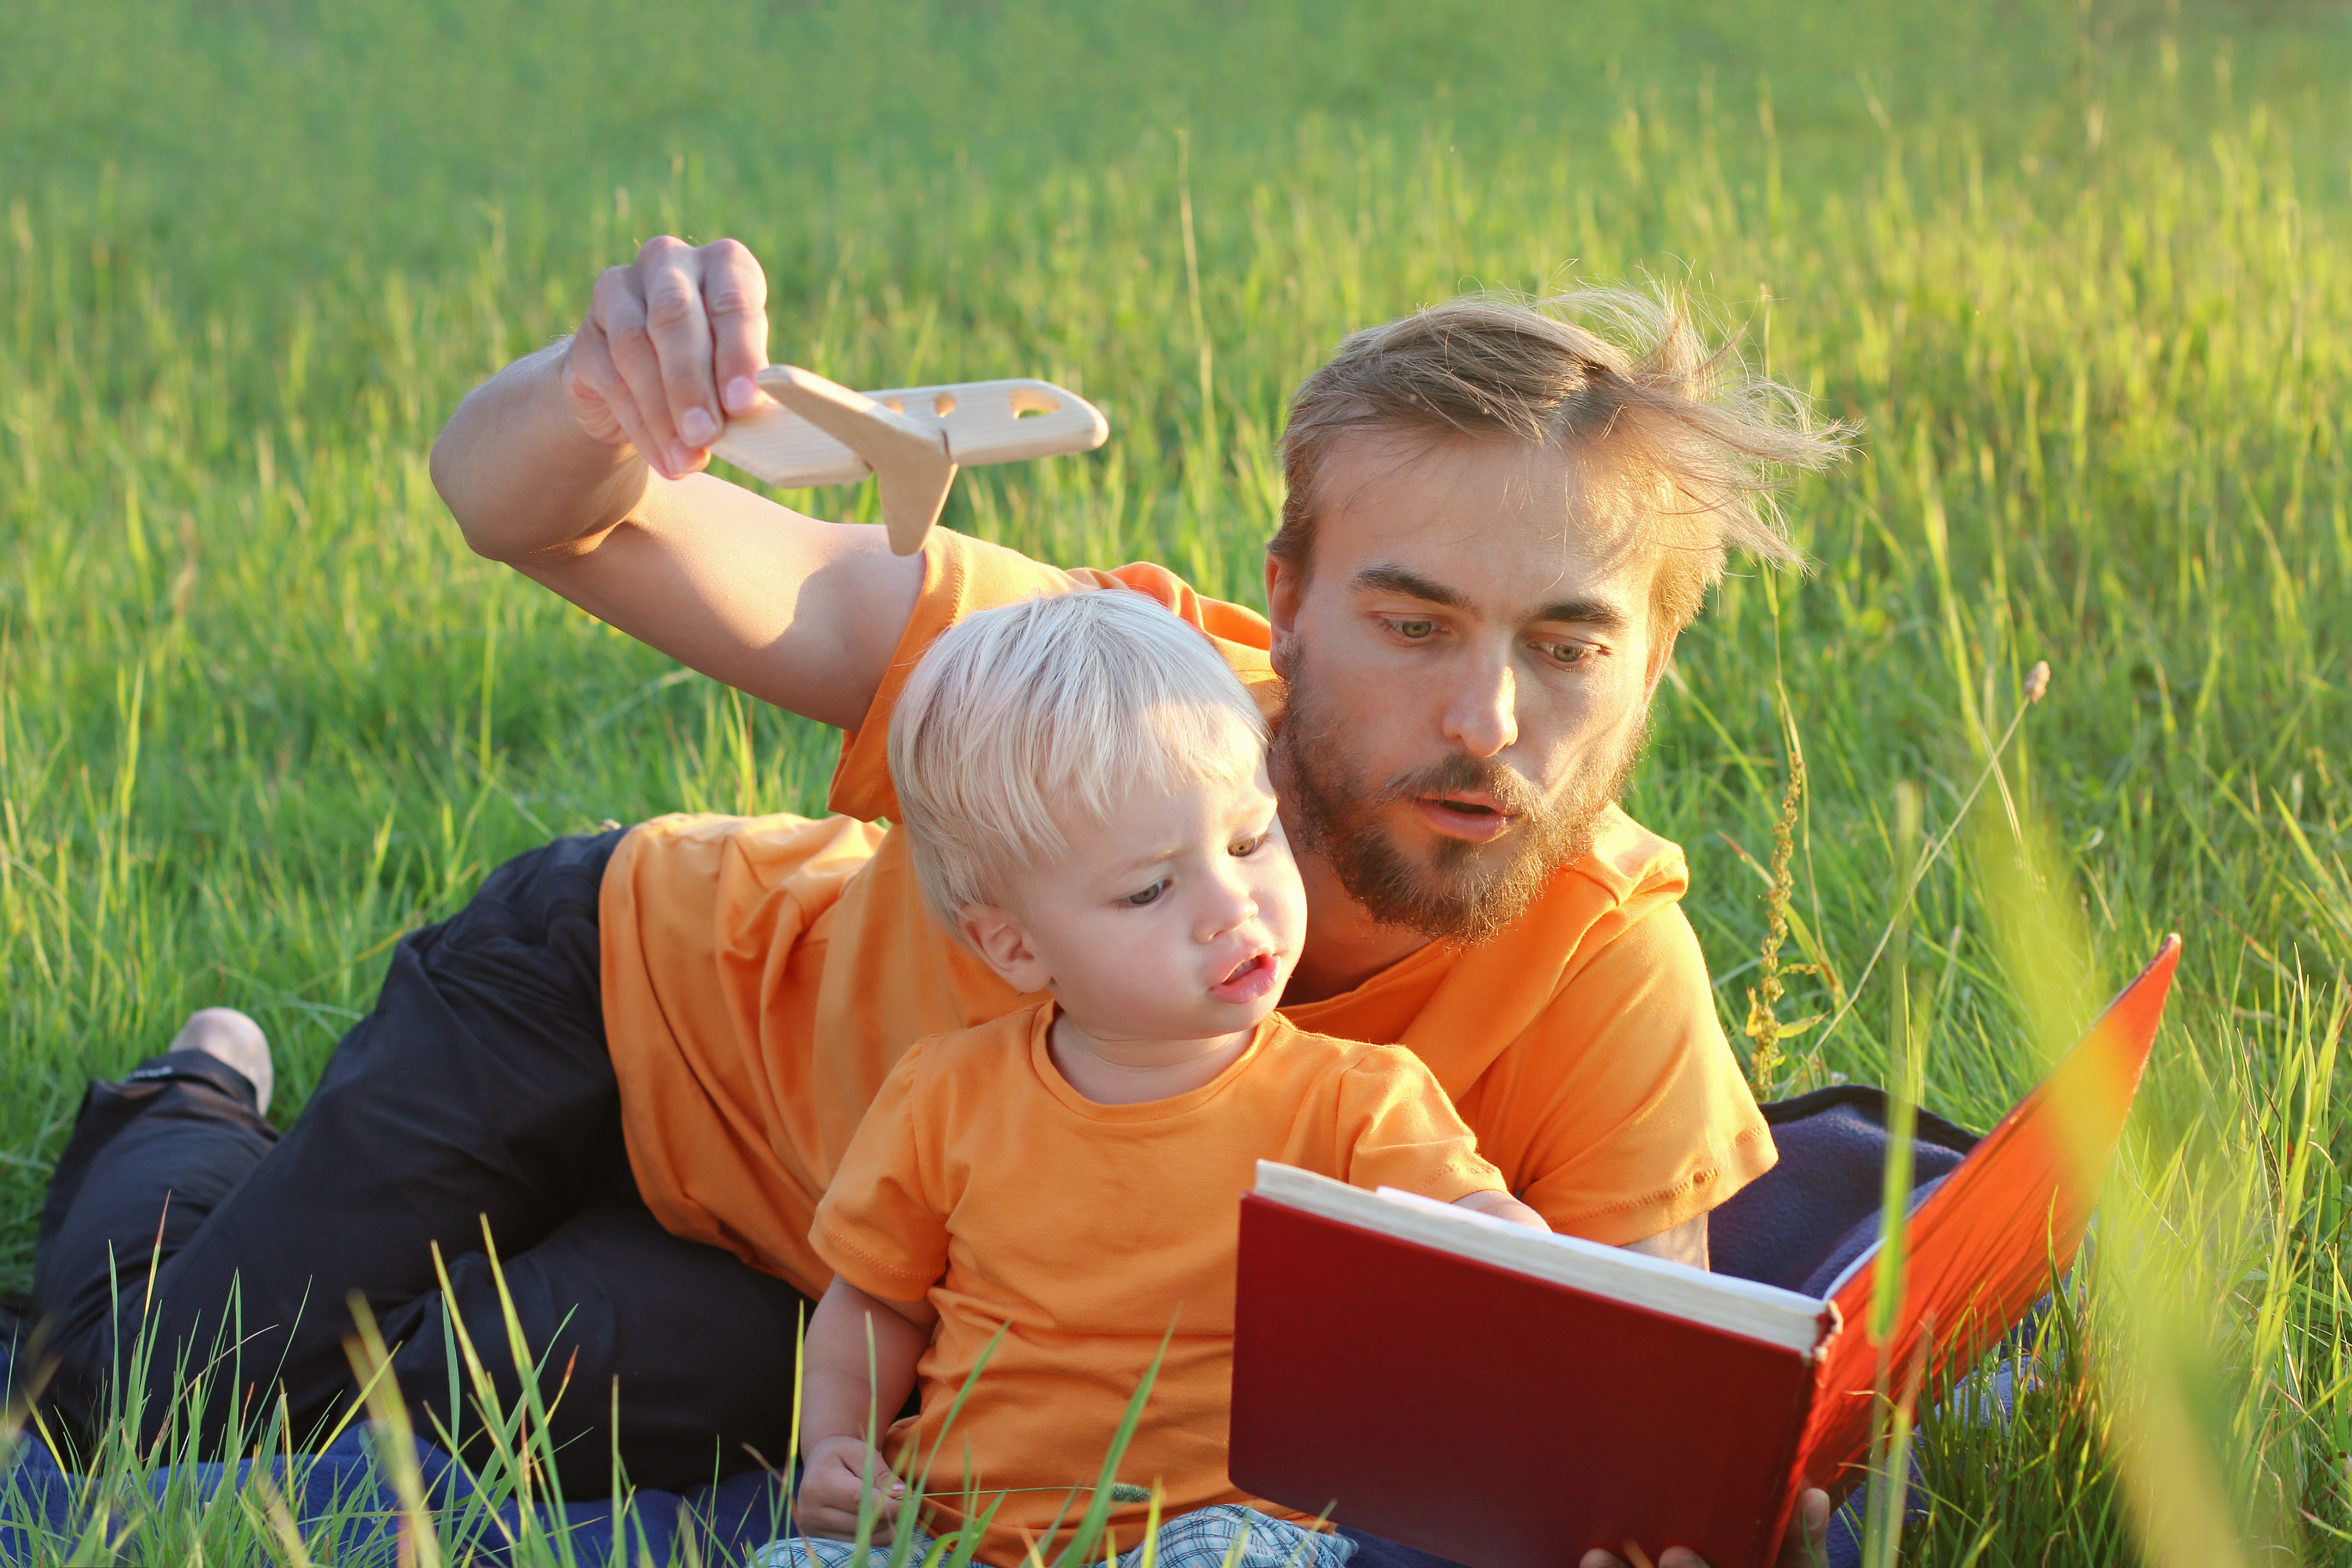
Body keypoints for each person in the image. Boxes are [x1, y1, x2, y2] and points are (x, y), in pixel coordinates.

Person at [26, 237, 1843, 1567]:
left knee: (440, 1430)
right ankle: (184, 1112)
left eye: (1569, 644)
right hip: (614, 996)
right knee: (128, 1412)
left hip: (822, 1282)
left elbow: (1624, 1420)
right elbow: (537, 519)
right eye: (1414, 620)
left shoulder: (1609, 972)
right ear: (1285, 598)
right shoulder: (1082, 688)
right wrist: (595, 396)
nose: (1484, 721)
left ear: (1657, 659)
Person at [787, 587, 1544, 1568]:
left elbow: (1473, 1222)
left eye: (1249, 841)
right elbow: (875, 1301)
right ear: (1014, 944)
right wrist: (839, 1447)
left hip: (1229, 1526)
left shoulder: (1356, 1099)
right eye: (1151, 887)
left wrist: (1505, 1240)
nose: (1233, 906)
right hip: (954, 1535)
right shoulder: (947, 1096)